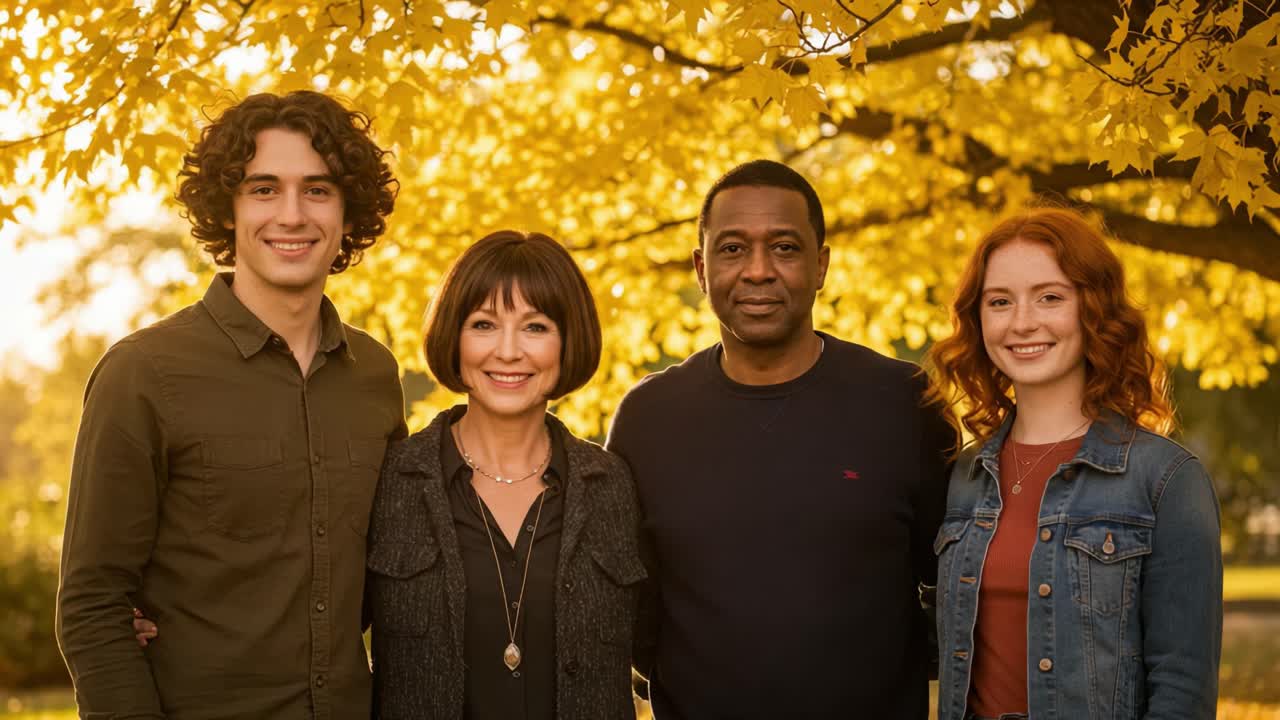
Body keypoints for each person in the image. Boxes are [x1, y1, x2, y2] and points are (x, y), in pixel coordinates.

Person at [56, 91, 406, 720]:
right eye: (264, 189)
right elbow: (91, 604)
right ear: (227, 209)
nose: (292, 215)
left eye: (319, 190)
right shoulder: (143, 373)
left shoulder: (375, 375)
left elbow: (392, 577)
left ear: (350, 213)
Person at [605, 160, 955, 718]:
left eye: (785, 248)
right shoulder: (647, 418)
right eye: (732, 248)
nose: (759, 271)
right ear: (701, 268)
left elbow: (952, 588)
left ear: (821, 265)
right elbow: (634, 613)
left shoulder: (903, 403)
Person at [925, 205, 1223, 720]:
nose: (1022, 322)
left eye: (1050, 297)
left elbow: (1182, 693)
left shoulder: (1164, 479)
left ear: (1094, 309)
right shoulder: (964, 478)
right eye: (1000, 301)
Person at [364, 230, 645, 719]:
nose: (509, 351)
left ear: (568, 340)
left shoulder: (613, 485)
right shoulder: (390, 480)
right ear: (454, 336)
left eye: (535, 327)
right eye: (484, 324)